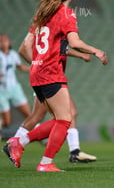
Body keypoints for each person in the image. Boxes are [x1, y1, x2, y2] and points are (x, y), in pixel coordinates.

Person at [2, 0, 107, 172]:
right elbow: (74, 43)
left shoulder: (42, 14)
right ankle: (45, 162)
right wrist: (96, 51)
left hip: (37, 72)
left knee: (59, 119)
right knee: (66, 119)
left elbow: (25, 46)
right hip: (51, 73)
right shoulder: (66, 14)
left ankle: (19, 142)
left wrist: (37, 63)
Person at [13, 35, 97, 163]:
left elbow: (58, 48)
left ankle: (16, 143)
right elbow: (23, 49)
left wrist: (38, 66)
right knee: (66, 115)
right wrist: (39, 66)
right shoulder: (51, 24)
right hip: (49, 77)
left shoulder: (44, 26)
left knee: (40, 116)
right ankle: (19, 144)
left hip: (46, 76)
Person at [0, 34, 31, 137]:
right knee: (7, 122)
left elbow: (21, 67)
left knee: (29, 114)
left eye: (5, 41)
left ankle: (40, 137)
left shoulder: (13, 54)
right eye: (1, 41)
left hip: (14, 89)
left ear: (9, 42)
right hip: (1, 91)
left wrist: (34, 68)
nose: (3, 43)